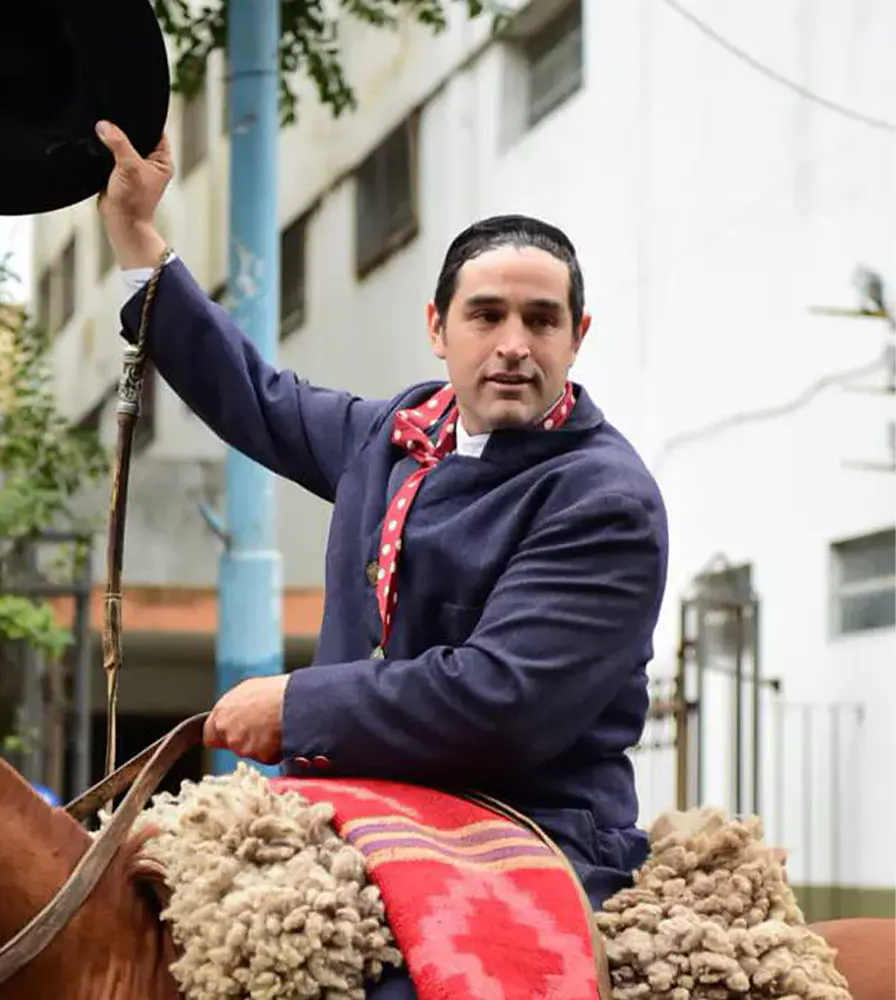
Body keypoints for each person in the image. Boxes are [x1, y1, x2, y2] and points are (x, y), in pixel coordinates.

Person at [95, 119, 668, 999]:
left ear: (576, 335)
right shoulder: (397, 434)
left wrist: (295, 703)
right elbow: (255, 395)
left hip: (527, 823)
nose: (514, 342)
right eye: (487, 315)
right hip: (356, 806)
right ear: (439, 328)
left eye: (540, 319)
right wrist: (137, 235)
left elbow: (499, 699)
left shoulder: (604, 498)